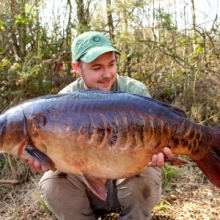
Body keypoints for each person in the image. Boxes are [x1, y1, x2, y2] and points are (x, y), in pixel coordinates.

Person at [22, 31, 174, 220]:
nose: (107, 74)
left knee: (145, 178)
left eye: (111, 64)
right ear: (77, 68)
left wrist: (161, 155)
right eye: (97, 68)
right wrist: (43, 160)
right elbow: (55, 158)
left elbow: (158, 143)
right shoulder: (62, 102)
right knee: (53, 182)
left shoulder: (134, 91)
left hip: (128, 178)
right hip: (87, 184)